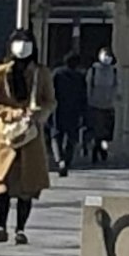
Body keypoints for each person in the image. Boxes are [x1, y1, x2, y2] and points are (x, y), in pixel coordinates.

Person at [0, 35, 53, 241]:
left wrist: (38, 114)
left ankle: (20, 229)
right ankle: (1, 225)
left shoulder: (41, 73)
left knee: (27, 185)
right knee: (0, 184)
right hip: (5, 135)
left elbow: (50, 101)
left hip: (30, 135)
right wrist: (12, 113)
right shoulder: (1, 72)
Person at [49, 40, 94, 173]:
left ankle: (59, 159)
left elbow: (51, 91)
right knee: (71, 137)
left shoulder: (57, 74)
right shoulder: (79, 77)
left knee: (56, 136)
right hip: (74, 111)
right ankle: (67, 160)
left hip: (57, 109)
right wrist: (84, 114)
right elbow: (83, 97)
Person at [85, 36, 122, 166]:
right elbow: (88, 86)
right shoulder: (93, 70)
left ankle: (100, 149)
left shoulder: (114, 71)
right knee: (97, 131)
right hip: (95, 105)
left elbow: (117, 87)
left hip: (108, 106)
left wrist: (116, 97)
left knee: (106, 132)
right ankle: (97, 151)